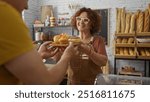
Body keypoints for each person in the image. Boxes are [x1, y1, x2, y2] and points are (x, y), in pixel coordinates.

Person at [0, 0, 78, 84]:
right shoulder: (5, 14)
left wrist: (40, 55)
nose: (27, 7)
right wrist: (67, 56)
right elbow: (45, 82)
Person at [67, 7, 108, 84]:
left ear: (92, 24)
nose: (81, 22)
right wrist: (57, 56)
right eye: (79, 19)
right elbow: (63, 62)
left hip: (93, 84)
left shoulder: (98, 40)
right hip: (73, 84)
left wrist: (89, 52)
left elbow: (103, 62)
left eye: (85, 20)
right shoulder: (70, 40)